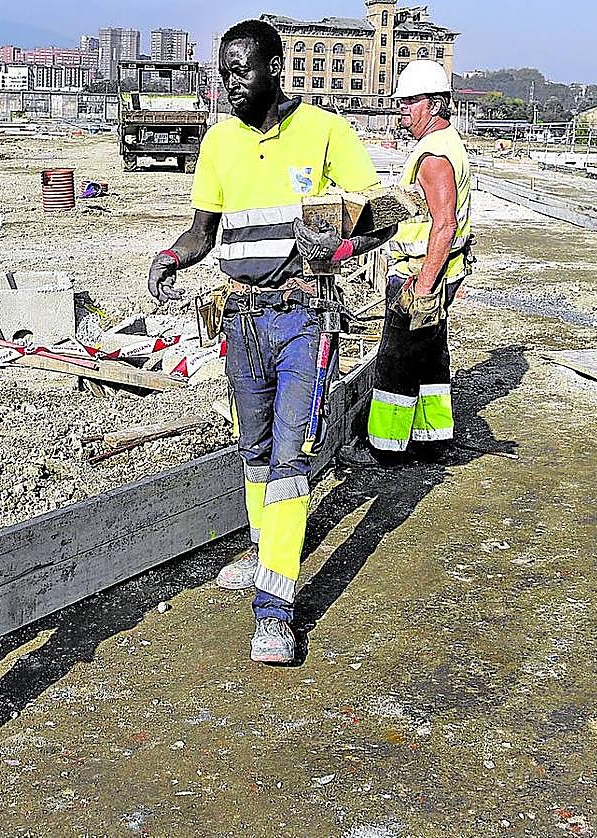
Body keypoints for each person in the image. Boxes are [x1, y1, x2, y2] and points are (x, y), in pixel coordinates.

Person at [147, 19, 394, 664]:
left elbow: (383, 211)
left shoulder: (324, 131)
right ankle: (267, 558)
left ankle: (274, 607)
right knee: (254, 449)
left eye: (242, 68)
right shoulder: (218, 142)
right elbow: (205, 229)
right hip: (237, 317)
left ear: (278, 68)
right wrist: (173, 256)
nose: (227, 81)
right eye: (222, 68)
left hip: (303, 317)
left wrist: (333, 247)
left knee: (290, 454)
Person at [339, 60, 473, 467]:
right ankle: (432, 439)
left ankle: (386, 447)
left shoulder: (434, 156)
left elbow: (444, 224)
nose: (401, 109)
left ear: (433, 104)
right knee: (431, 359)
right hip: (439, 271)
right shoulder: (448, 143)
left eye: (410, 102)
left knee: (396, 360)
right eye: (400, 101)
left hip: (419, 274)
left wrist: (422, 287)